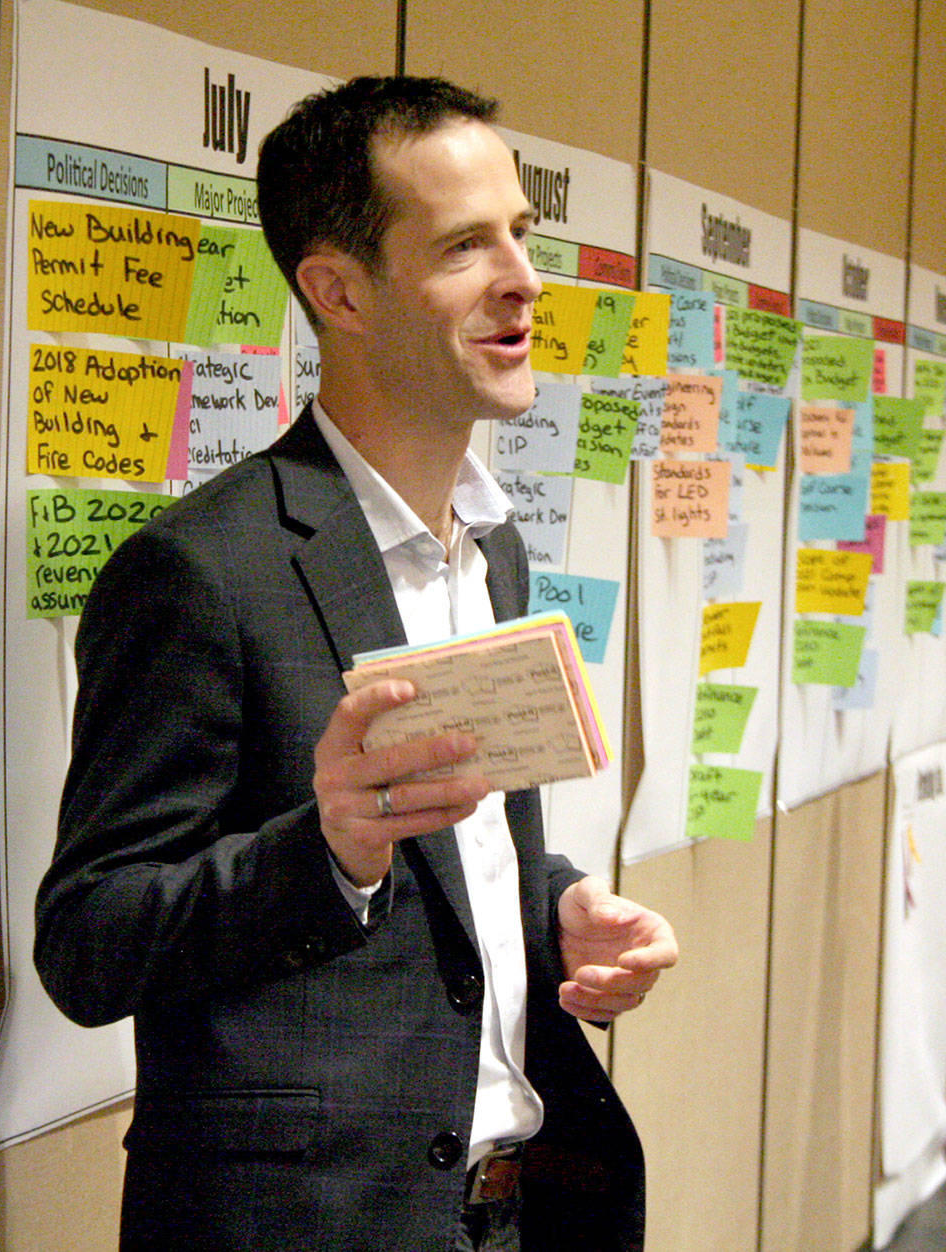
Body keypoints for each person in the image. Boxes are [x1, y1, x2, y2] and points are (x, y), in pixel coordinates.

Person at [35, 75, 678, 1251]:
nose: (523, 282)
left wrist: (557, 911)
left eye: (519, 236)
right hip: (308, 1221)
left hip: (509, 1206)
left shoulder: (495, 551)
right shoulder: (201, 570)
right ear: (337, 289)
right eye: (462, 246)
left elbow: (452, 861)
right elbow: (90, 938)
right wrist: (324, 852)